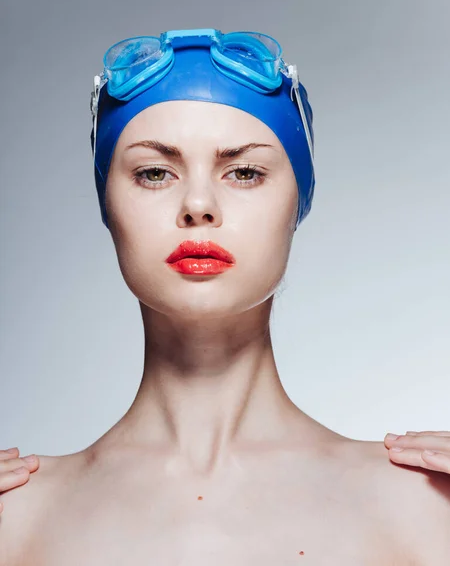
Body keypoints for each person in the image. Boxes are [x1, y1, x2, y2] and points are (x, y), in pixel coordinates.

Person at [1, 29, 449, 565]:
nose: (197, 204)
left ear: (296, 202)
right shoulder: (20, 516)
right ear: (108, 204)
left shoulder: (425, 507)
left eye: (243, 172)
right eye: (153, 173)